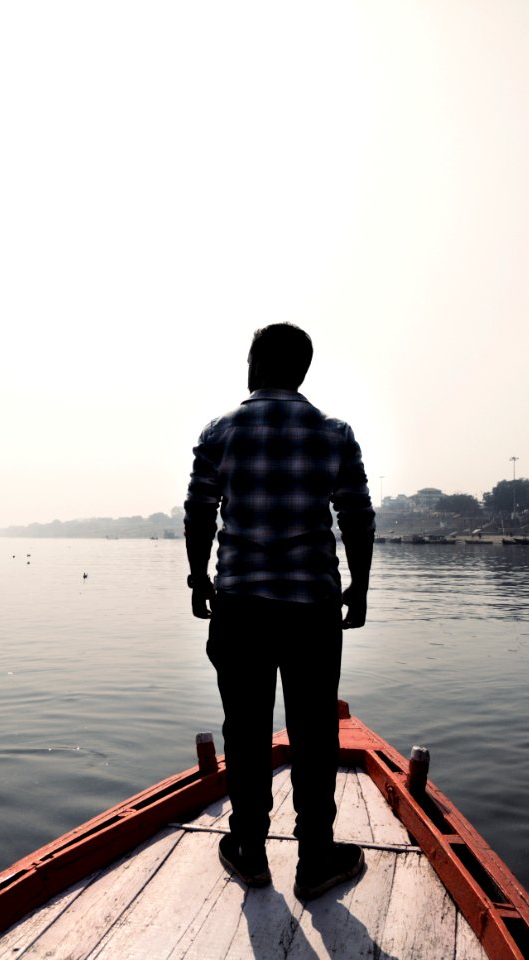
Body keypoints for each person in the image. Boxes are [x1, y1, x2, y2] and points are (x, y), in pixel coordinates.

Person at [183, 323, 375, 900]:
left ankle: (248, 849)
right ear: (302, 370)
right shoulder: (334, 433)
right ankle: (316, 859)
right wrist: (360, 586)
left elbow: (199, 511)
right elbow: (357, 516)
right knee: (315, 733)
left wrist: (199, 578)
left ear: (256, 364)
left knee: (245, 731)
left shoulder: (222, 430)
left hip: (239, 605)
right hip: (313, 608)